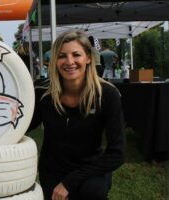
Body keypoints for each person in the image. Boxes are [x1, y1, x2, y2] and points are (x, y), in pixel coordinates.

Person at [28, 30, 125, 200]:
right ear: (55, 61)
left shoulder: (107, 94)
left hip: (92, 168)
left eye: (76, 55)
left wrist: (69, 182)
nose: (69, 62)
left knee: (92, 193)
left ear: (88, 58)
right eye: (62, 56)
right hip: (53, 169)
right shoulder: (43, 94)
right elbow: (25, 125)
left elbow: (117, 154)